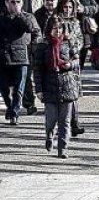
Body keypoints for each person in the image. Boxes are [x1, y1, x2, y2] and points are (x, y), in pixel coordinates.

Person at [32, 18, 79, 158]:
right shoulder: (42, 46)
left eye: (60, 28)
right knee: (51, 119)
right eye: (55, 28)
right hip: (49, 86)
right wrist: (39, 89)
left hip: (67, 85)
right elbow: (37, 69)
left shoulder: (68, 43)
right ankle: (49, 135)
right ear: (49, 30)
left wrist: (70, 65)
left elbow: (77, 60)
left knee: (65, 121)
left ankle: (62, 149)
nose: (57, 31)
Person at [0, 0, 40, 124]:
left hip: (21, 58)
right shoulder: (1, 18)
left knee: (19, 88)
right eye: (12, 2)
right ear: (6, 3)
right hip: (3, 58)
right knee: (4, 88)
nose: (15, 4)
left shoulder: (27, 16)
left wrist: (19, 15)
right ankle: (10, 107)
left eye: (18, 2)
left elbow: (31, 29)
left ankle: (15, 113)